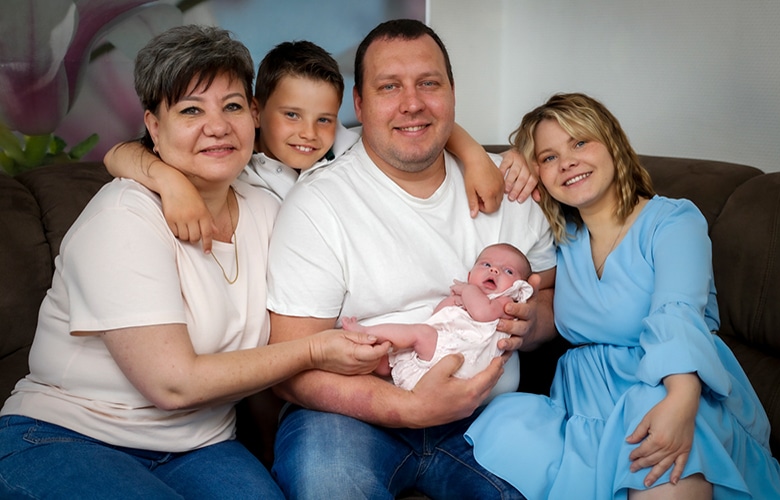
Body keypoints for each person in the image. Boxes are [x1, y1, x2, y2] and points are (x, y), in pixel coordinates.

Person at [0, 25, 391, 499]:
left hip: (202, 445)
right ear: (154, 127)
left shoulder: (270, 208)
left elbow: (399, 132)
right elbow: (173, 384)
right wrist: (315, 349)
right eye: (190, 109)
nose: (218, 126)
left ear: (253, 115)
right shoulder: (124, 216)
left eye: (231, 106)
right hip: (71, 435)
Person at [266, 19, 557, 499]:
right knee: (329, 486)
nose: (413, 103)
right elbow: (291, 367)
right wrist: (408, 408)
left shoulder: (511, 190)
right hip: (352, 418)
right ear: (359, 104)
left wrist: (532, 323)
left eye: (428, 83)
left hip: (489, 418)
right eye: (389, 87)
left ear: (452, 93)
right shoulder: (319, 205)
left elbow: (547, 295)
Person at [465, 93, 780, 499]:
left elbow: (678, 311)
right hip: (582, 405)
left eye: (580, 142)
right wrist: (515, 155)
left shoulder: (673, 220)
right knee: (504, 430)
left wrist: (681, 398)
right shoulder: (560, 238)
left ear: (613, 143)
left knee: (661, 468)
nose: (567, 161)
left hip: (666, 382)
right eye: (549, 157)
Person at [104, 40, 537, 253]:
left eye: (324, 119)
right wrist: (168, 182)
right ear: (255, 112)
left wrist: (478, 156)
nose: (309, 133)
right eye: (291, 115)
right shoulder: (237, 161)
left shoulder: (347, 145)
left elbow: (419, 126)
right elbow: (119, 154)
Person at [342, 243, 534, 391]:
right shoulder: (463, 298)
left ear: (519, 286)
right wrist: (457, 300)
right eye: (486, 264)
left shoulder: (504, 302)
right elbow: (439, 318)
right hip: (438, 357)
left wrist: (468, 292)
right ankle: (370, 362)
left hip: (460, 361)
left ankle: (367, 333)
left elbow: (482, 313)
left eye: (508, 271)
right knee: (390, 360)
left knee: (419, 333)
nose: (494, 270)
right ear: (470, 274)